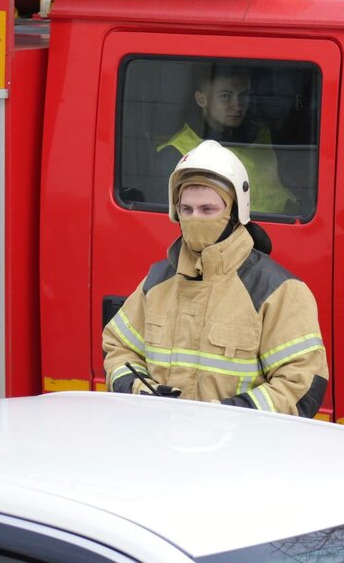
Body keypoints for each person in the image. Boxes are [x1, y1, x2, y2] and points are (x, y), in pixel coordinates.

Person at [102, 140, 329, 416]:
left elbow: (302, 382)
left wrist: (229, 416)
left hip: (241, 452)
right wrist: (144, 393)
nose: (195, 219)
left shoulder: (277, 290)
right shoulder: (157, 282)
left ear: (235, 212)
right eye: (187, 210)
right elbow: (119, 349)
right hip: (162, 445)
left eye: (207, 210)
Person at [155, 64, 297, 215]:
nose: (237, 106)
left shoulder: (264, 136)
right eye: (226, 96)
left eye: (243, 95)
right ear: (201, 99)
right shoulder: (176, 153)